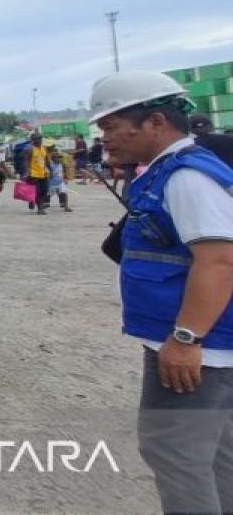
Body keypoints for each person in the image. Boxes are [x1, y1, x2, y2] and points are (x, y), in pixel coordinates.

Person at [89, 70, 233, 515]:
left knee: (175, 453)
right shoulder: (167, 172)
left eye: (112, 127)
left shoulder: (187, 177)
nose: (106, 139)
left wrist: (186, 338)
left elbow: (219, 259)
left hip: (197, 349)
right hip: (201, 344)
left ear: (154, 121)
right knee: (215, 454)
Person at [25, 134, 50, 214]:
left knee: (45, 190)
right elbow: (26, 161)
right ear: (33, 140)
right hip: (33, 173)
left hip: (43, 173)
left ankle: (32, 199)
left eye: (40, 139)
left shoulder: (44, 148)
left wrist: (50, 170)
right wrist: (26, 172)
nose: (40, 140)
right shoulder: (29, 149)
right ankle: (40, 208)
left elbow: (46, 160)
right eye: (37, 139)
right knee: (37, 191)